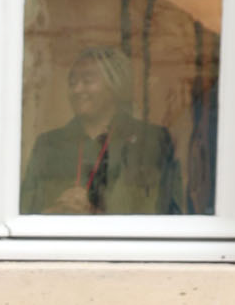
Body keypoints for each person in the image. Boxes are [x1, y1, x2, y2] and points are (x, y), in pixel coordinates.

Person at [20, 45, 182, 215]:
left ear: (115, 86)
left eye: (87, 81)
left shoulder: (151, 141)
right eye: (72, 83)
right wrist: (57, 211)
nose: (77, 90)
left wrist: (95, 213)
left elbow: (169, 214)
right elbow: (25, 213)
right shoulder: (48, 145)